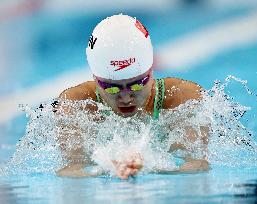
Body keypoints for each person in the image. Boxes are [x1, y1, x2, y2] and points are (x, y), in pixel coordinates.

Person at [56, 14, 209, 179]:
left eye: (137, 84)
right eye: (111, 88)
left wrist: (149, 166)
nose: (126, 98)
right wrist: (108, 169)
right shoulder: (78, 104)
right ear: (96, 79)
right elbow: (71, 171)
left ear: (151, 72)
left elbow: (195, 166)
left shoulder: (182, 98)